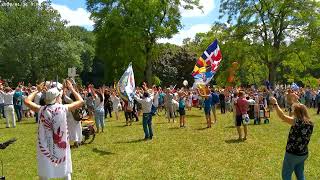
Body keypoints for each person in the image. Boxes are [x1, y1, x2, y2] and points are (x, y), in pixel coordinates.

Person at [24, 80, 84, 180]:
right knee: (65, 168)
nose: (60, 98)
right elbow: (81, 101)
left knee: (45, 168)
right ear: (56, 98)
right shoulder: (63, 108)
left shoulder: (41, 109)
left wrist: (37, 91)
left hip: (45, 144)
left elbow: (26, 101)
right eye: (59, 97)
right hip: (61, 144)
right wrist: (72, 89)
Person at [270, 97, 314, 180]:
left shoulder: (296, 122)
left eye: (294, 111)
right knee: (300, 174)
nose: (292, 112)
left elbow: (282, 116)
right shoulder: (310, 123)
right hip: (303, 153)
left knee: (286, 175)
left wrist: (275, 103)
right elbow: (301, 108)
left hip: (293, 154)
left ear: (296, 112)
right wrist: (296, 102)